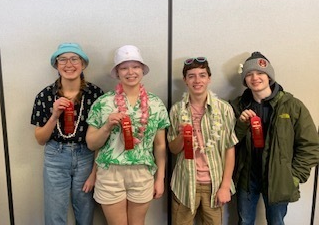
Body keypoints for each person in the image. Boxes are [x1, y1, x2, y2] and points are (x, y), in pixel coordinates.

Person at [230, 51, 319, 225]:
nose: (255, 78)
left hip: (279, 178)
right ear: (244, 80)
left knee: (276, 222)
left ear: (269, 76)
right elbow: (227, 143)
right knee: (245, 221)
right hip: (247, 178)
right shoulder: (236, 106)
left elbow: (310, 146)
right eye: (249, 74)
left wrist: (294, 176)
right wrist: (241, 126)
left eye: (260, 73)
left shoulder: (292, 106)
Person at [85, 45, 170, 225]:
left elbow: (160, 145)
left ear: (142, 70)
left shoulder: (156, 104)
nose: (130, 72)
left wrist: (160, 178)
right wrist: (107, 126)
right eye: (124, 67)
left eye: (135, 66)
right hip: (110, 172)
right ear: (117, 72)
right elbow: (91, 143)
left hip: (142, 172)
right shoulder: (103, 103)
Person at [31, 43, 104, 225]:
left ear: (83, 64)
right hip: (55, 155)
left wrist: (95, 172)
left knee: (85, 212)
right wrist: (54, 115)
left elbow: (102, 138)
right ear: (56, 65)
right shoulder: (45, 96)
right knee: (54, 213)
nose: (68, 64)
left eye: (74, 59)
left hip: (87, 155)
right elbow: (40, 139)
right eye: (62, 59)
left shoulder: (95, 95)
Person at [167, 57, 239, 225]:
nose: (197, 80)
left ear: (209, 78)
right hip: (184, 183)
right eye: (191, 76)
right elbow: (173, 149)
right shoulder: (177, 110)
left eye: (202, 75)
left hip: (214, 185)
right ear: (185, 80)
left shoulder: (224, 109)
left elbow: (230, 149)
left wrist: (225, 186)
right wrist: (181, 137)